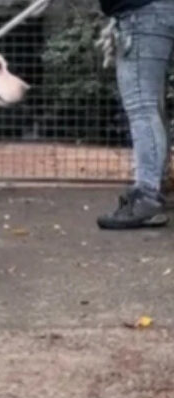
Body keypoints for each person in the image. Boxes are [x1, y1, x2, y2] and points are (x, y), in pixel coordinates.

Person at [96, 0, 174, 229]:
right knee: (152, 106)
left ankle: (146, 198)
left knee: (142, 105)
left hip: (143, 13)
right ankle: (155, 187)